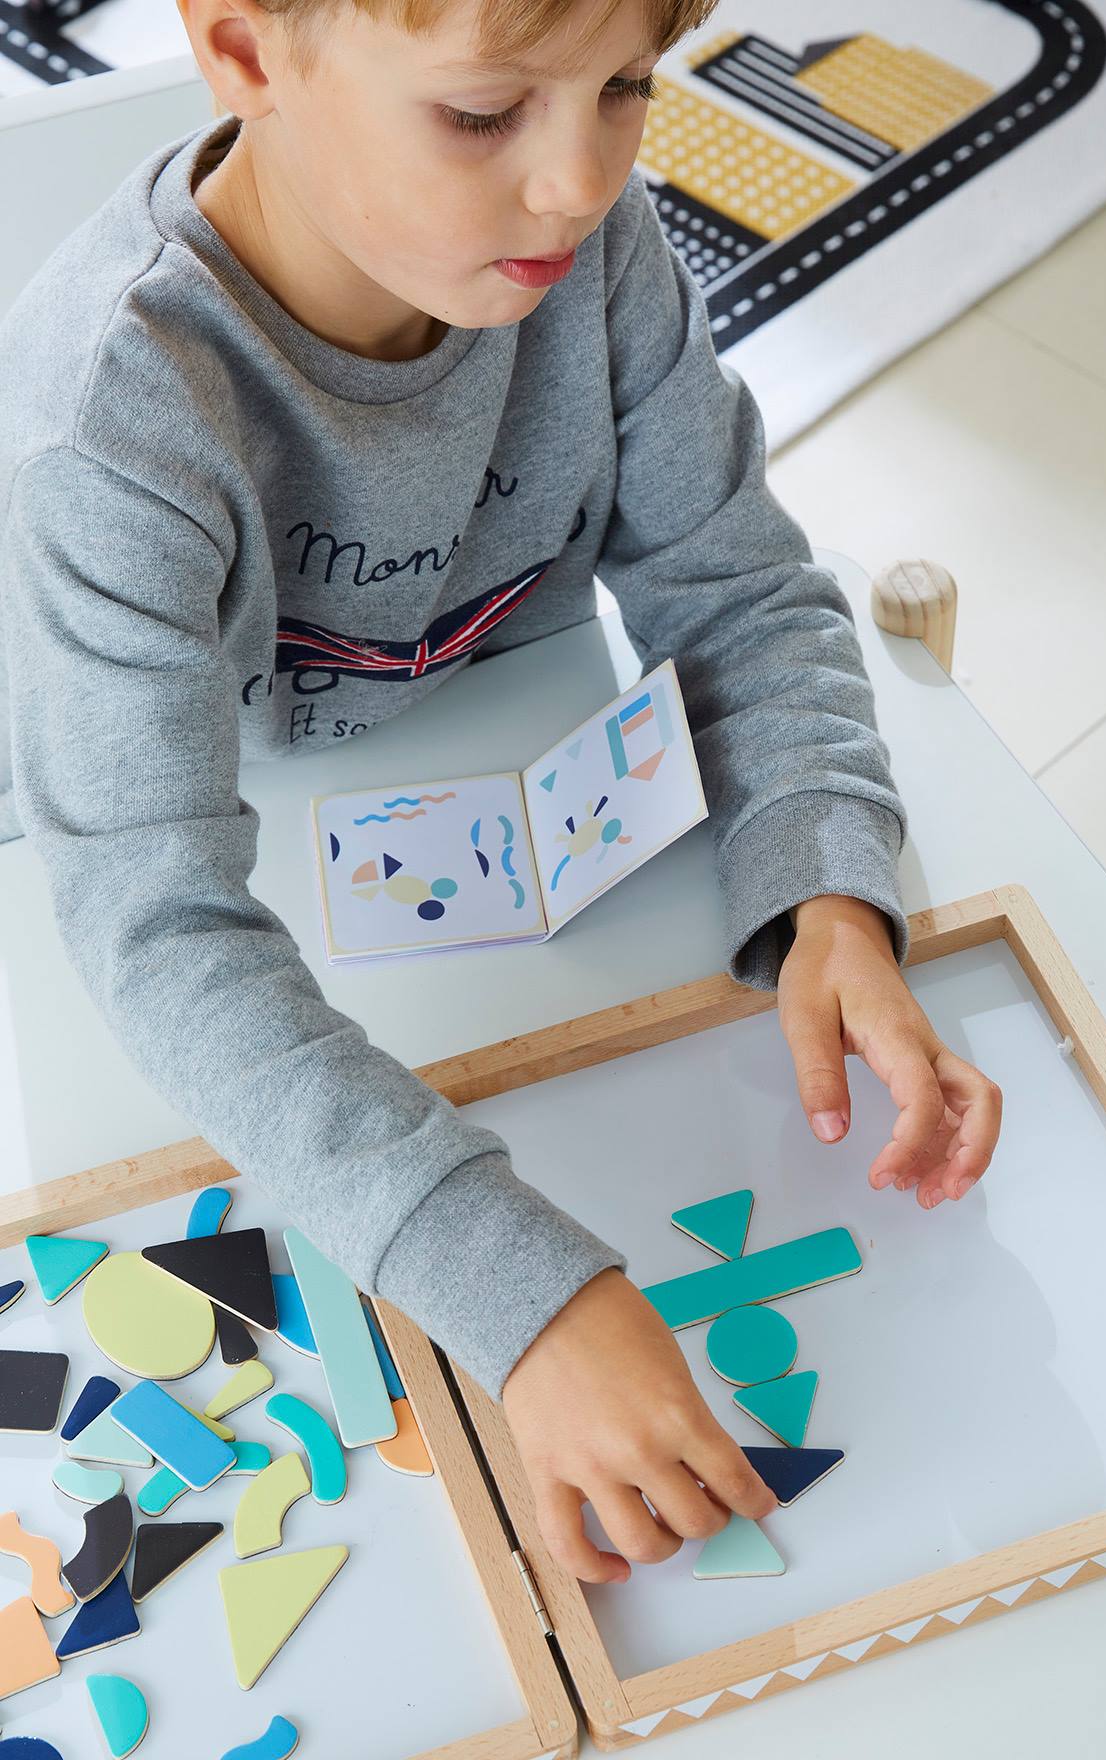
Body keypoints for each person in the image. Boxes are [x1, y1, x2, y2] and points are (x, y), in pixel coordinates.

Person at [0, 0, 1003, 1585]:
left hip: (532, 842)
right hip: (183, 867)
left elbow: (738, 587)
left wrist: (826, 888)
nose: (577, 181)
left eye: (624, 89)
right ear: (248, 56)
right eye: (481, 117)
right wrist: (511, 1287)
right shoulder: (115, 412)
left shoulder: (583, 253)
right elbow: (149, 916)